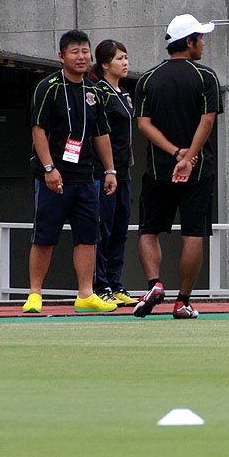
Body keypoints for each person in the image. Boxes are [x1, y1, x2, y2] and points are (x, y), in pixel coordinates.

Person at [132, 14, 221, 320]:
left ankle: (154, 284)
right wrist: (189, 157)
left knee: (148, 230)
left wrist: (175, 153)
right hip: (198, 170)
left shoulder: (147, 79)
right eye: (200, 38)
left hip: (159, 169)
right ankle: (182, 301)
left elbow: (143, 124)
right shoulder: (206, 77)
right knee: (194, 233)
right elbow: (207, 121)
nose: (203, 43)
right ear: (190, 42)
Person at [23, 29, 119, 314]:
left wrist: (110, 170)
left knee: (88, 237)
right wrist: (49, 168)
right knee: (44, 236)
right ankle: (35, 293)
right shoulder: (48, 87)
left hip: (86, 176)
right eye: (75, 52)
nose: (81, 57)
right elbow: (38, 130)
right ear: (61, 56)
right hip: (53, 177)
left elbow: (101, 134)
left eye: (85, 51)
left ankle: (86, 293)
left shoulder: (94, 90)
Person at [90, 39, 137, 308]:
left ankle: (115, 283)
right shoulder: (99, 92)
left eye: (126, 57)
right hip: (103, 171)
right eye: (119, 58)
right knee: (103, 228)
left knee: (120, 229)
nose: (125, 63)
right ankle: (100, 285)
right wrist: (108, 168)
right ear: (105, 64)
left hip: (124, 170)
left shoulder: (125, 95)